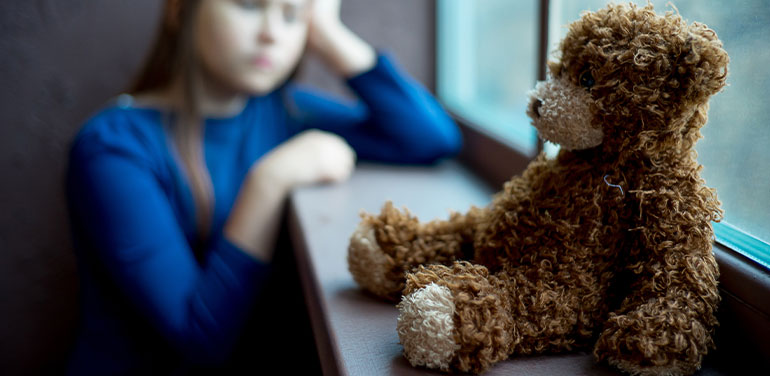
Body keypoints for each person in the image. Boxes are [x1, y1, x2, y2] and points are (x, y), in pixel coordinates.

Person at [65, 0, 461, 374]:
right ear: (179, 9)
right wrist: (269, 181)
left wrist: (327, 31)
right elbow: (199, 338)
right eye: (249, 5)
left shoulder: (285, 112)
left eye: (291, 14)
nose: (273, 33)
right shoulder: (113, 147)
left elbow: (431, 138)